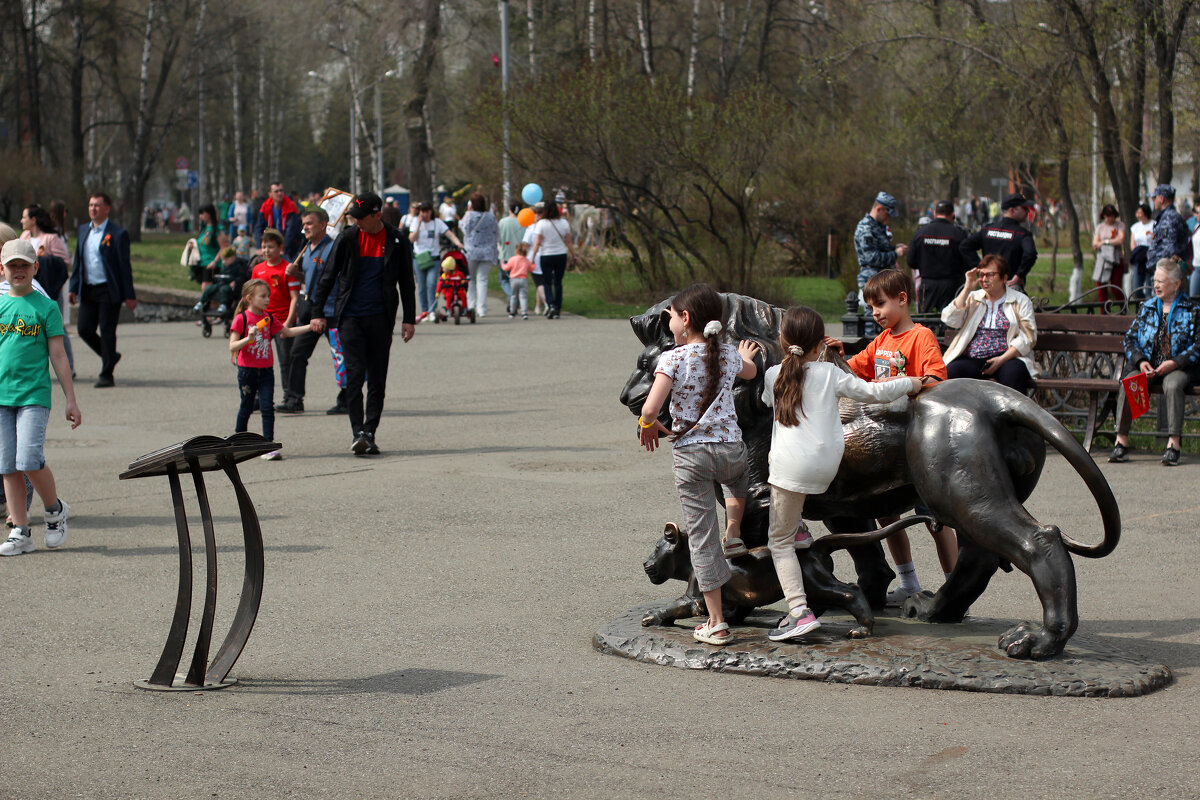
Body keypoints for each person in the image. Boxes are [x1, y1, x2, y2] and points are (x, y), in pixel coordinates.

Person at [762, 305, 923, 640]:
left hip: (791, 471)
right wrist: (912, 381)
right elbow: (874, 393)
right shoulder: (831, 374)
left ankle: (799, 612)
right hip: (827, 469)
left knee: (779, 541)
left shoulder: (773, 374)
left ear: (782, 339)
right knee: (795, 493)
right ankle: (801, 528)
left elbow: (767, 403)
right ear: (821, 345)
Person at [636, 283, 760, 645]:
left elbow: (649, 408)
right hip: (731, 451)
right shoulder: (726, 355)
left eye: (671, 316)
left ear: (685, 319)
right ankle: (734, 530)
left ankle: (717, 621)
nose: (669, 322)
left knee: (703, 539)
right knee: (738, 483)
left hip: (693, 457)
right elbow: (751, 373)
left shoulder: (671, 359)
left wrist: (647, 425)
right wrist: (742, 353)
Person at [826, 269, 953, 603]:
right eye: (870, 308)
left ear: (902, 299)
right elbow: (855, 370)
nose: (876, 313)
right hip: (888, 449)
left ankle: (955, 585)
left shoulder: (921, 336)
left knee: (934, 517)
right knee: (888, 516)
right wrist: (838, 355)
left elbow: (936, 378)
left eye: (880, 304)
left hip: (916, 442)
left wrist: (899, 388)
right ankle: (909, 582)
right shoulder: (881, 341)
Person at [310, 192, 417, 456]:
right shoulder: (348, 238)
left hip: (380, 318)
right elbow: (328, 275)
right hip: (350, 318)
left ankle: (370, 432)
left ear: (376, 215)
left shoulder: (397, 240)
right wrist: (317, 312)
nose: (356, 222)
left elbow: (406, 281)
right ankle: (358, 431)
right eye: (353, 218)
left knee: (378, 379)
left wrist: (409, 319)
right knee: (355, 376)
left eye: (361, 218)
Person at [0, 239, 79, 557]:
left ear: (36, 267)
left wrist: (71, 399)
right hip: (2, 397)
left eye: (24, 265)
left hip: (33, 395)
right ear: (2, 269)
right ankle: (21, 530)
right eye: (12, 265)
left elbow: (59, 356)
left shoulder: (46, 307)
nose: (18, 271)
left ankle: (55, 509)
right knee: (7, 466)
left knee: (28, 460)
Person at [1109, 260, 1200, 467]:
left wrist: (1175, 363)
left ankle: (1173, 445)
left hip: (1179, 368)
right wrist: (1140, 361)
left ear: (1176, 284)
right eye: (1155, 281)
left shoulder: (1192, 309)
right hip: (1149, 367)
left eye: (1161, 281)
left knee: (1172, 384)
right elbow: (1130, 339)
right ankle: (1121, 441)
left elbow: (1198, 346)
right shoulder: (1148, 307)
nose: (1156, 285)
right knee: (1131, 381)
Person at [229, 279, 314, 461]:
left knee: (268, 407)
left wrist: (311, 327)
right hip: (247, 371)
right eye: (263, 296)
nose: (267, 299)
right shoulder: (241, 319)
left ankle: (268, 445)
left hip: (266, 371)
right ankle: (237, 442)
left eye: (268, 296)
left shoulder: (267, 318)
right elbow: (232, 345)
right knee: (247, 406)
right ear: (249, 298)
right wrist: (248, 339)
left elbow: (287, 332)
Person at [68, 191, 137, 388]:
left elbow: (125, 267)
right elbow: (78, 263)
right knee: (84, 329)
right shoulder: (84, 231)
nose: (93, 209)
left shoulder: (117, 234)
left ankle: (107, 374)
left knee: (107, 331)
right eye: (90, 205)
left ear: (107, 208)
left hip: (109, 290)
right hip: (88, 289)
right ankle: (110, 356)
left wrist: (129, 295)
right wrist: (73, 288)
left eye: (97, 205)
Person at [941, 254, 1038, 393]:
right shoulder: (974, 298)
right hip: (973, 357)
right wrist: (967, 288)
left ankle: (1011, 415)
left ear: (1004, 278)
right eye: (981, 275)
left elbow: (1029, 337)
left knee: (1013, 375)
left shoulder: (1020, 301)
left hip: (1007, 357)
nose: (984, 279)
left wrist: (1001, 359)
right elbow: (950, 320)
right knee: (950, 374)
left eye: (990, 275)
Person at [278, 208, 337, 415]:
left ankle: (347, 397)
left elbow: (331, 280)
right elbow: (310, 280)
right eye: (304, 224)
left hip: (330, 310)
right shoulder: (307, 248)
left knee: (340, 355)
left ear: (323, 225)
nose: (305, 227)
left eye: (309, 223)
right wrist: (297, 274)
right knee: (297, 353)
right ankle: (294, 398)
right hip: (309, 308)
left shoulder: (332, 248)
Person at [250, 229, 300, 400]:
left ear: (281, 248)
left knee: (285, 360)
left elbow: (294, 298)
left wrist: (288, 322)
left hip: (281, 321)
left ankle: (290, 395)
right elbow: (252, 298)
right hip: (262, 322)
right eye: (264, 247)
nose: (266, 251)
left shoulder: (288, 269)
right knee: (258, 360)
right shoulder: (257, 269)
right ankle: (257, 396)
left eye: (270, 247)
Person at [960, 193, 1038, 289]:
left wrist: (980, 268)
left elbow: (965, 246)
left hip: (988, 286)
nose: (1027, 212)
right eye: (1024, 208)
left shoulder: (987, 230)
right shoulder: (1022, 234)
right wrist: (1019, 275)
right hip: (1011, 286)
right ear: (1012, 210)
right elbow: (1030, 253)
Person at [907, 200, 968, 313]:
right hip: (952, 286)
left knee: (926, 321)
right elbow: (968, 261)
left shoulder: (921, 233)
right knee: (951, 322)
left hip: (927, 285)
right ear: (952, 215)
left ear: (934, 214)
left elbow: (911, 261)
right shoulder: (958, 235)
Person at [409, 201, 463, 320]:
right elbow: (412, 239)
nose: (425, 214)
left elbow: (449, 234)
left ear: (431, 211)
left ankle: (432, 310)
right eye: (422, 211)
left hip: (434, 258)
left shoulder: (437, 223)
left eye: (427, 211)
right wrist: (418, 224)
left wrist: (458, 243)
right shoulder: (415, 222)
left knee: (432, 283)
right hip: (420, 259)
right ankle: (424, 311)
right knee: (422, 286)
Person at [528, 199, 575, 319]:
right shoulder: (564, 223)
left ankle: (551, 304)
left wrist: (532, 257)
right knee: (558, 282)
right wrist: (574, 254)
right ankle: (557, 307)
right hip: (560, 255)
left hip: (546, 255)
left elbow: (538, 242)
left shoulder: (541, 224)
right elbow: (568, 241)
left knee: (547, 282)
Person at [461, 192, 499, 318]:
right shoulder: (491, 216)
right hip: (487, 251)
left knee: (470, 280)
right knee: (483, 280)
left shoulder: (469, 215)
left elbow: (464, 229)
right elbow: (496, 232)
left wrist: (467, 213)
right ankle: (481, 309)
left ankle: (471, 305)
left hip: (471, 252)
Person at [1146, 185, 1189, 278]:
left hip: (1167, 272)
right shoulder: (1164, 217)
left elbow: (1169, 249)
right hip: (1162, 271)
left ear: (1161, 199)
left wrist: (1159, 267)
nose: (1154, 201)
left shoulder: (1170, 218)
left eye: (1155, 198)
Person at [254, 182, 303, 260]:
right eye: (276, 191)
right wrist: (259, 247)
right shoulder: (265, 206)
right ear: (270, 194)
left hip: (288, 247)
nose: (279, 193)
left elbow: (291, 230)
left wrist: (283, 248)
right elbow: (258, 227)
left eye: (281, 191)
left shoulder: (290, 206)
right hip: (271, 245)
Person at [193, 247, 247, 316]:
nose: (224, 261)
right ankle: (202, 302)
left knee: (224, 290)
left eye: (226, 259)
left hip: (230, 286)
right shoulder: (224, 266)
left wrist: (235, 281)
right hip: (221, 282)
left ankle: (223, 305)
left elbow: (241, 277)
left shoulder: (238, 266)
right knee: (209, 288)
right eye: (223, 260)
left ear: (233, 257)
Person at [1091, 204, 1127, 304]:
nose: (1108, 218)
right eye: (1106, 216)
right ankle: (1104, 313)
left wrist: (1104, 242)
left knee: (1116, 288)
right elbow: (1095, 242)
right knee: (1101, 288)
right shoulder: (1100, 227)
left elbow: (1120, 240)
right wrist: (1099, 243)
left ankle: (1122, 309)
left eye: (1111, 216)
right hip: (1103, 260)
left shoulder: (1120, 225)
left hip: (1116, 259)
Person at [496, 202, 523, 307]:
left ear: (509, 210)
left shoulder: (503, 222)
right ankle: (514, 302)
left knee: (504, 280)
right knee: (518, 280)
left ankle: (512, 297)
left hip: (506, 255)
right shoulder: (523, 223)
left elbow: (498, 238)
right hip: (520, 256)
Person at [502, 241, 534, 319]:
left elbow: (506, 268)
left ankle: (512, 312)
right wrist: (533, 263)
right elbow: (531, 269)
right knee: (523, 296)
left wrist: (502, 263)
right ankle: (524, 313)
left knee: (514, 296)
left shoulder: (512, 259)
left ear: (516, 250)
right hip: (523, 279)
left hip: (514, 279)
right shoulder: (526, 260)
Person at [194, 204, 222, 286]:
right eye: (199, 214)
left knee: (206, 286)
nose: (200, 216)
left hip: (211, 263)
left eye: (202, 213)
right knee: (204, 286)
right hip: (202, 262)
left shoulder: (217, 229)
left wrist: (215, 261)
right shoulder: (204, 228)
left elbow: (224, 247)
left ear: (209, 214)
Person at [1129, 203, 1154, 296]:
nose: (1138, 215)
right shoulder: (1135, 227)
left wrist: (1147, 254)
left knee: (1149, 286)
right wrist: (1138, 254)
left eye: (1140, 213)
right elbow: (1132, 243)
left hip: (1150, 258)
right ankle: (1140, 305)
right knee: (1137, 288)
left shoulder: (1154, 225)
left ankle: (1148, 305)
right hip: (1139, 259)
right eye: (1137, 213)